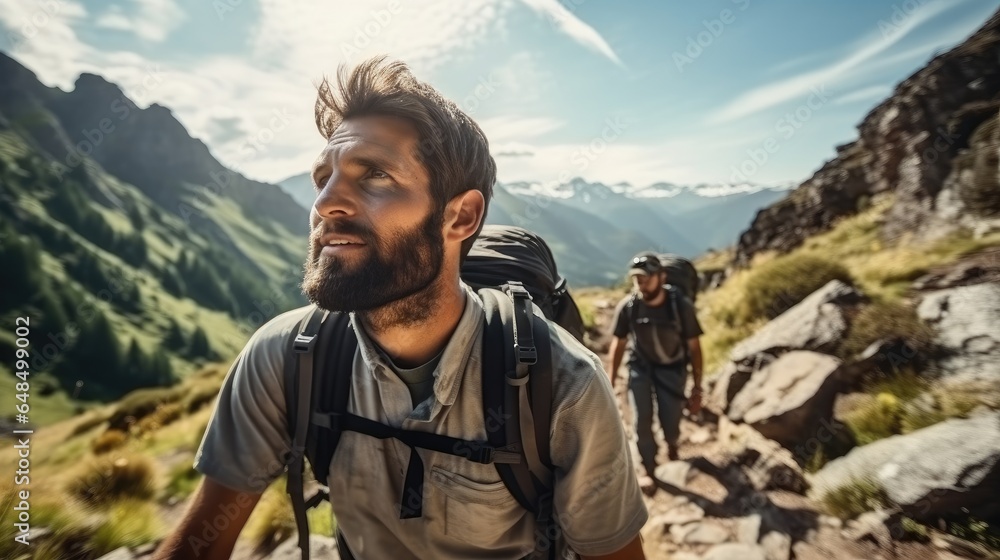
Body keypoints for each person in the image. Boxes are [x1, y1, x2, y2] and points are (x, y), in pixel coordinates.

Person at [154, 56, 647, 560]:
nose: (326, 203)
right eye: (322, 178)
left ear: (460, 216)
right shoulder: (287, 357)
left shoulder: (561, 383)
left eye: (375, 177)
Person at [608, 252, 704, 485]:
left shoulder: (680, 305)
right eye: (636, 278)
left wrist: (697, 388)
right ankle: (648, 466)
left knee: (670, 419)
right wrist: (609, 381)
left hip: (673, 369)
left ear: (662, 277)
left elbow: (695, 348)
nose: (641, 283)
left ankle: (672, 443)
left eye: (646, 278)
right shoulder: (629, 306)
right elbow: (618, 344)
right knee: (641, 420)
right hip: (640, 368)